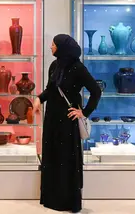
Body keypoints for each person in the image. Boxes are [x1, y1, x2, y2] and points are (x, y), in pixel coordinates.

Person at [32, 34, 101, 213]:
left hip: (68, 121)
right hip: (53, 118)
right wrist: (39, 99)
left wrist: (84, 112)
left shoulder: (78, 68)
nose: (50, 47)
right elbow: (51, 90)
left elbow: (95, 91)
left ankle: (69, 202)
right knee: (53, 156)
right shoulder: (55, 65)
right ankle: (53, 199)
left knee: (66, 159)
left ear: (62, 48)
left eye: (53, 45)